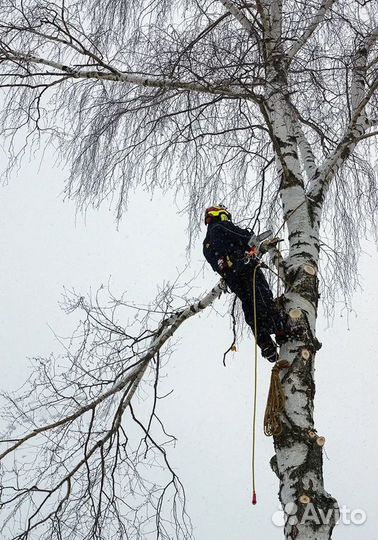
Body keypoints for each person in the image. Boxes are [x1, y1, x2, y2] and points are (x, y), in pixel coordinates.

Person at [203, 205, 287, 362]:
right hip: (245, 268)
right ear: (219, 214)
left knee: (250, 306)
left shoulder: (206, 245)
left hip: (232, 279)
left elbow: (216, 264)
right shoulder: (220, 226)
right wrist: (251, 240)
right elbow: (242, 237)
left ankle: (265, 343)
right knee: (262, 296)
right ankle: (280, 328)